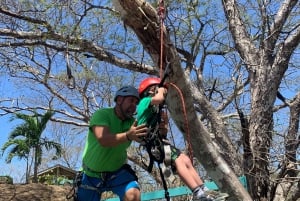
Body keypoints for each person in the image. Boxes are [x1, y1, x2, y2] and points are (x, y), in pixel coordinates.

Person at [137, 77, 229, 201]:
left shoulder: (155, 110)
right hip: (153, 143)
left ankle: (204, 190)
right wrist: (162, 89)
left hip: (159, 141)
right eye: (156, 89)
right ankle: (198, 193)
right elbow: (159, 98)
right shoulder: (144, 101)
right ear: (150, 91)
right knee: (179, 161)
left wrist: (164, 122)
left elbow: (163, 131)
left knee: (185, 159)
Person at [75, 86, 148, 201]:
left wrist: (161, 126)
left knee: (133, 195)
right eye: (131, 101)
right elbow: (103, 139)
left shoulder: (132, 123)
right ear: (119, 100)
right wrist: (128, 135)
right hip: (90, 175)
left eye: (136, 103)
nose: (133, 106)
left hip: (117, 173)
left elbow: (146, 137)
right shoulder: (102, 114)